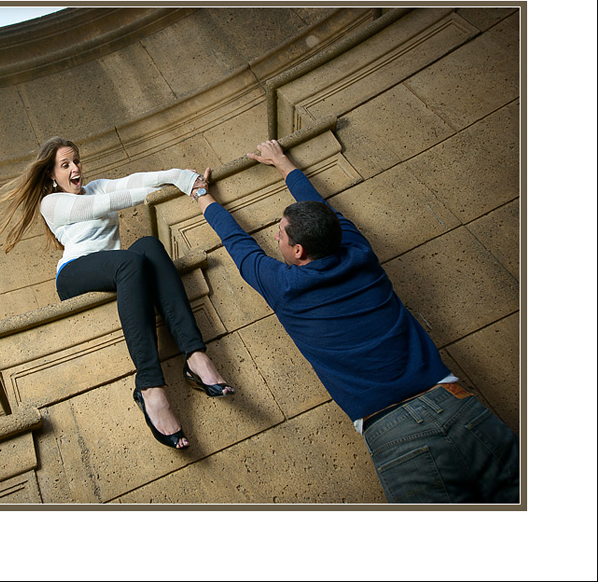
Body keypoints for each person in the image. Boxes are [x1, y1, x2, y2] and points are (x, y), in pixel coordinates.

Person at [190, 138, 519, 503]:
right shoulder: (360, 252)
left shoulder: (283, 285)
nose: (276, 236)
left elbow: (237, 243)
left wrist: (202, 195)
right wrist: (283, 163)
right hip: (459, 404)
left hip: (395, 434)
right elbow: (322, 208)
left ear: (296, 251)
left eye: (279, 233)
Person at [0, 136, 234, 450]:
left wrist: (184, 179)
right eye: (65, 165)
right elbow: (100, 206)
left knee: (148, 246)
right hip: (75, 273)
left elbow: (137, 180)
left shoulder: (96, 185)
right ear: (52, 174)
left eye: (76, 161)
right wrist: (176, 187)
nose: (75, 168)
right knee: (131, 262)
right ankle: (149, 388)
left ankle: (196, 356)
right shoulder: (51, 202)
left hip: (118, 267)